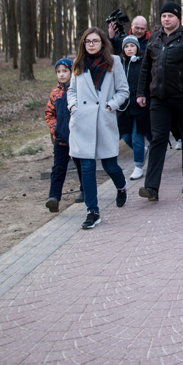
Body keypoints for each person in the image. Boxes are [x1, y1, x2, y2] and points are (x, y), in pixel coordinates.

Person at [136, 1, 183, 201]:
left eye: (170, 16)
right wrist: (141, 92)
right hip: (158, 98)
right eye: (164, 16)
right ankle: (151, 187)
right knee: (158, 139)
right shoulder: (155, 39)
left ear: (178, 18)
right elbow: (145, 68)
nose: (166, 19)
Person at [67, 28, 130, 229]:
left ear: (102, 43)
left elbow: (123, 90)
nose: (91, 44)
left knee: (110, 165)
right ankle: (92, 211)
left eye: (95, 41)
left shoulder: (114, 62)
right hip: (83, 122)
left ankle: (121, 187)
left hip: (104, 120)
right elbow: (71, 91)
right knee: (86, 168)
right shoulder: (78, 64)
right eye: (87, 41)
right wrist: (73, 106)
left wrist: (111, 105)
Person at [44, 57, 82, 212]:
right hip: (60, 139)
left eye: (65, 71)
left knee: (81, 165)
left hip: (76, 137)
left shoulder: (78, 90)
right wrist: (55, 129)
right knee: (58, 168)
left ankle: (85, 191)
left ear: (71, 72)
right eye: (58, 72)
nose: (61, 74)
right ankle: (54, 197)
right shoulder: (55, 94)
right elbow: (49, 113)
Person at [118, 36, 152, 181]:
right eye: (126, 47)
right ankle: (142, 152)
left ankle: (138, 166)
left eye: (132, 46)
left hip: (139, 106)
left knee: (137, 137)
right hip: (124, 107)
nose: (129, 49)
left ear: (137, 48)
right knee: (126, 137)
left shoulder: (143, 63)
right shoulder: (120, 64)